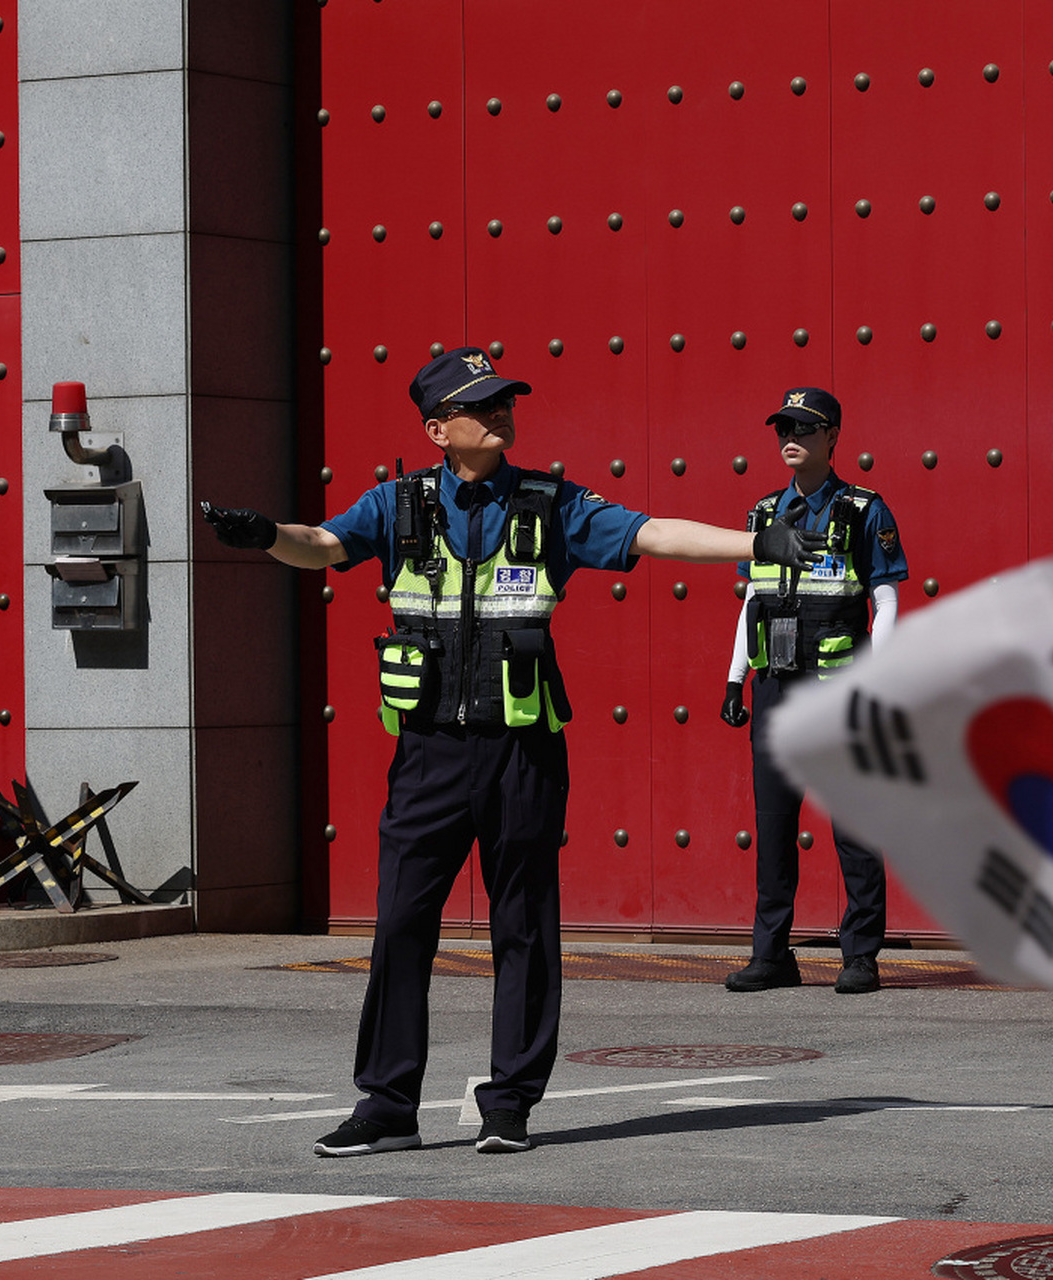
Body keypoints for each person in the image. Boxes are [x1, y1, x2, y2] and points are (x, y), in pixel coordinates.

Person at [202, 346, 825, 1157]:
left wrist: (755, 547)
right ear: (436, 429)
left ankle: (510, 1106)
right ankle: (386, 1106)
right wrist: (263, 537)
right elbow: (320, 544)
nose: (499, 413)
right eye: (479, 404)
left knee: (523, 927)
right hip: (426, 754)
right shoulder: (395, 505)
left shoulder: (548, 502)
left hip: (522, 751)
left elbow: (651, 531)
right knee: (400, 928)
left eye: (504, 401)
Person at [719, 388, 908, 995]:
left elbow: (884, 596)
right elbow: (754, 598)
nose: (788, 437)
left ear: (833, 437)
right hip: (776, 684)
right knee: (773, 826)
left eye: (803, 427)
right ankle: (772, 953)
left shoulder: (863, 509)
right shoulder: (763, 512)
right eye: (781, 428)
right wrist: (734, 677)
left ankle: (861, 955)